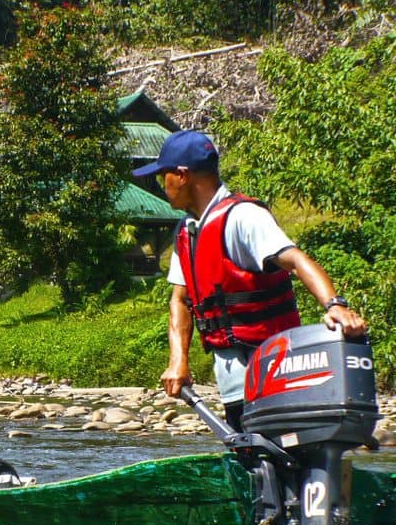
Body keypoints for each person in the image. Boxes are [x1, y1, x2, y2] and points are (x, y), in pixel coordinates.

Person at [136, 130, 368, 428]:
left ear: (182, 176)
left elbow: (296, 260)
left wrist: (335, 305)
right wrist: (178, 359)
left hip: (275, 370)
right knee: (250, 455)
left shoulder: (243, 217)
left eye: (162, 177)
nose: (162, 186)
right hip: (233, 380)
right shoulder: (187, 231)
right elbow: (180, 300)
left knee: (276, 455)